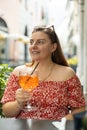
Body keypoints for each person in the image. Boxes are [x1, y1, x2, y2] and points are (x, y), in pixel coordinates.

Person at [1, 25, 86, 120]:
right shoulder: (18, 72)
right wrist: (18, 103)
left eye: (40, 42)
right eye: (31, 42)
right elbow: (6, 112)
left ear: (53, 47)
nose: (33, 46)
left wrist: (64, 120)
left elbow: (80, 109)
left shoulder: (67, 74)